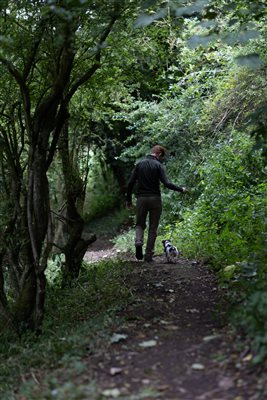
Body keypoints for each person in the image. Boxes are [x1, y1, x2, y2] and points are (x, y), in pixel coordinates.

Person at [126, 145, 187, 262]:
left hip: (141, 199)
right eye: (161, 156)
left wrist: (128, 199)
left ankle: (138, 242)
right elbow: (166, 183)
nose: (160, 159)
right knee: (153, 228)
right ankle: (148, 256)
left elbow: (130, 183)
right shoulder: (158, 165)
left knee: (139, 224)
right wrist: (181, 189)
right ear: (158, 153)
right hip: (155, 199)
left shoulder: (139, 164)